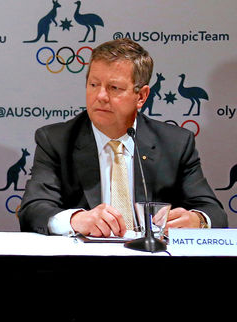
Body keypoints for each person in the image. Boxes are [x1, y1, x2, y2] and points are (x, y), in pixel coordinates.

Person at [18, 38, 227, 236]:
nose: (100, 96)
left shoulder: (176, 143)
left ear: (142, 96)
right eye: (94, 85)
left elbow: (213, 212)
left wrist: (197, 220)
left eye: (114, 88)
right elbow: (33, 209)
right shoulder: (56, 140)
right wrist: (76, 220)